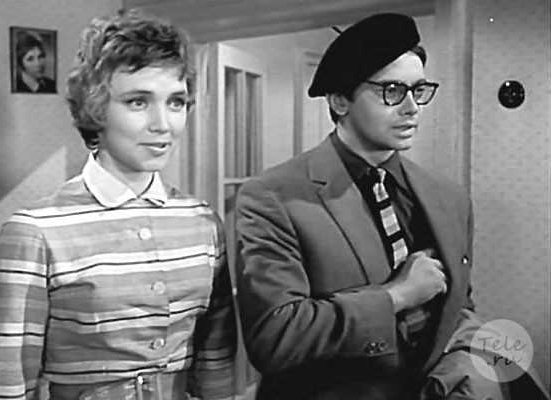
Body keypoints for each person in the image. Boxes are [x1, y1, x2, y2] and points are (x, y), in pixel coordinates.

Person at [235, 12, 549, 400]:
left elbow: (457, 307)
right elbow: (275, 338)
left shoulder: (449, 197)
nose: (412, 107)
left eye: (419, 90)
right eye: (392, 90)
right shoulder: (273, 196)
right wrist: (396, 296)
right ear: (339, 100)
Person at [0, 10, 236, 400]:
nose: (163, 124)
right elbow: (3, 385)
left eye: (176, 102)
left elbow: (216, 366)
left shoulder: (202, 222)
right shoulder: (35, 231)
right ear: (95, 108)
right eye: (138, 102)